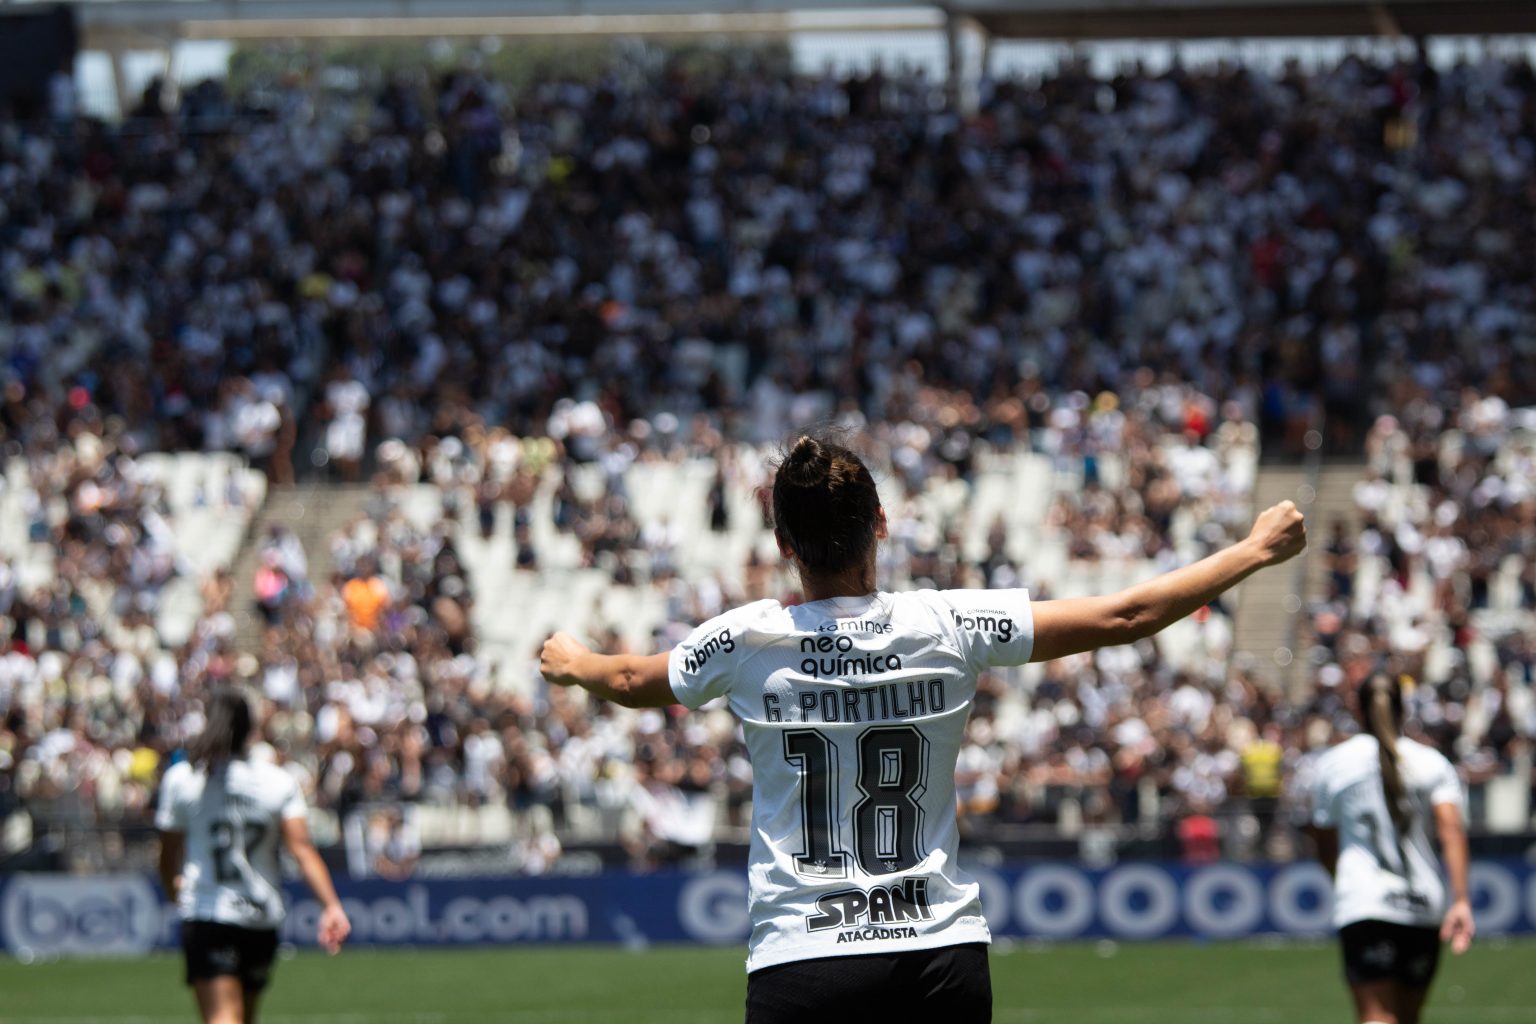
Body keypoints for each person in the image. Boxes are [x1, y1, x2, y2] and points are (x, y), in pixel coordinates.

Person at [539, 434, 1306, 1023]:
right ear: (880, 523)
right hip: (937, 953)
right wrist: (1252, 551)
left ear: (782, 544)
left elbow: (637, 681)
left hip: (803, 957)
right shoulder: (947, 622)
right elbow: (1126, 615)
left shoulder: (747, 638)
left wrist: (576, 661)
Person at [157, 690, 351, 1024]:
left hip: (208, 914)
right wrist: (331, 905)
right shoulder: (276, 781)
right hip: (261, 918)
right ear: (251, 730)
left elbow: (167, 855)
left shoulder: (182, 779)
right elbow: (302, 849)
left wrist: (176, 892)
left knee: (223, 1019)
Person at [1307, 673, 1474, 1024]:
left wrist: (1343, 880)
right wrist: (1460, 900)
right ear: (1403, 708)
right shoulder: (1431, 763)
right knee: (1409, 1017)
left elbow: (1324, 842)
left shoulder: (1334, 764)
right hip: (1423, 903)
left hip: (1365, 902)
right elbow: (1452, 830)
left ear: (1357, 709)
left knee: (1377, 1015)